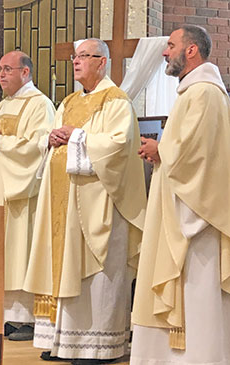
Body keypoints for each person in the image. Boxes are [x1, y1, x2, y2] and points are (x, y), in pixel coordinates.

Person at [23, 38, 146, 364]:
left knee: (97, 274)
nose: (76, 62)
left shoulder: (117, 101)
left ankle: (98, 347)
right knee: (64, 267)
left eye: (83, 57)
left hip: (99, 204)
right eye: (75, 57)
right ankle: (65, 343)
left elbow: (118, 146)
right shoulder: (68, 102)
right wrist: (49, 139)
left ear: (102, 62)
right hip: (64, 202)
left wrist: (75, 137)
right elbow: (51, 136)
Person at [130, 24, 230, 365]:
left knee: (195, 291)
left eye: (170, 45)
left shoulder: (204, 93)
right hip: (179, 205)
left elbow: (200, 157)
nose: (164, 52)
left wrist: (163, 150)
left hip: (195, 218)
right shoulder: (194, 92)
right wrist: (163, 152)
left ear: (191, 50)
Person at [0, 51, 55, 341]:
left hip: (19, 190)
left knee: (18, 247)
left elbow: (38, 148)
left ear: (26, 72)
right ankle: (2, 314)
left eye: (8, 69)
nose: (1, 74)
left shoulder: (41, 105)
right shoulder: (2, 105)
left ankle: (24, 317)